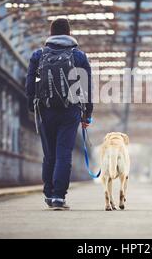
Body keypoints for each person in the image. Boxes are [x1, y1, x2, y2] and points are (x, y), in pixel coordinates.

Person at [25, 18, 93, 210]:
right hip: (70, 111)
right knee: (64, 154)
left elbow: (30, 84)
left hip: (46, 110)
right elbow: (87, 87)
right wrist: (87, 113)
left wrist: (33, 106)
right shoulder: (79, 56)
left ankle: (48, 193)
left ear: (51, 33)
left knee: (49, 155)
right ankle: (58, 197)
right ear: (69, 33)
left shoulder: (38, 55)